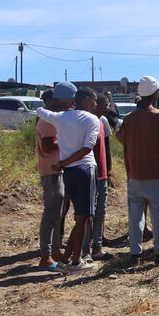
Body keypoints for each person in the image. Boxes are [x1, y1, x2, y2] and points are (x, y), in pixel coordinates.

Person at [34, 82, 101, 274]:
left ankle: (63, 257)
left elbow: (39, 110)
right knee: (79, 216)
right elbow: (87, 147)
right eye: (94, 100)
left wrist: (65, 156)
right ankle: (71, 260)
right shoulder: (89, 119)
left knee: (76, 216)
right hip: (76, 169)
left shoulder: (58, 118)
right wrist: (65, 158)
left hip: (67, 171)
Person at [116, 76, 159, 265]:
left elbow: (123, 143)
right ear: (155, 94)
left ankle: (135, 254)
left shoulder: (129, 119)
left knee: (135, 217)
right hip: (157, 174)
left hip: (135, 175)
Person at [79, 89, 113, 261]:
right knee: (87, 214)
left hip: (102, 174)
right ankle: (84, 251)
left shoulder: (102, 121)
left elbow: (106, 148)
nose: (107, 108)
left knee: (100, 213)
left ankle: (97, 248)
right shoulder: (85, 121)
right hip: (89, 172)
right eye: (105, 105)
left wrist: (108, 169)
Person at [35, 89, 66, 271]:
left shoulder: (51, 119)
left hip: (56, 169)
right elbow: (47, 147)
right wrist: (67, 141)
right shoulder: (47, 121)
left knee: (56, 214)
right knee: (51, 214)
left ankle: (54, 252)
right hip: (51, 170)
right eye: (57, 99)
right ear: (49, 101)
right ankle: (45, 256)